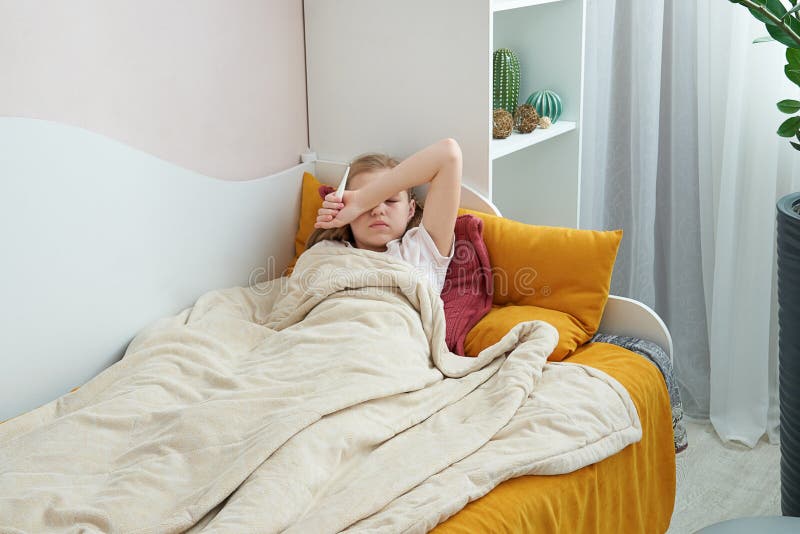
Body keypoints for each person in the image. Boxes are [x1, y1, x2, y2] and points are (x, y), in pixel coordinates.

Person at [305, 137, 462, 294]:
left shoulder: (421, 252)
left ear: (410, 209)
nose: (378, 210)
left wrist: (361, 200)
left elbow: (448, 154)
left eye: (391, 200)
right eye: (367, 205)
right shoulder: (326, 252)